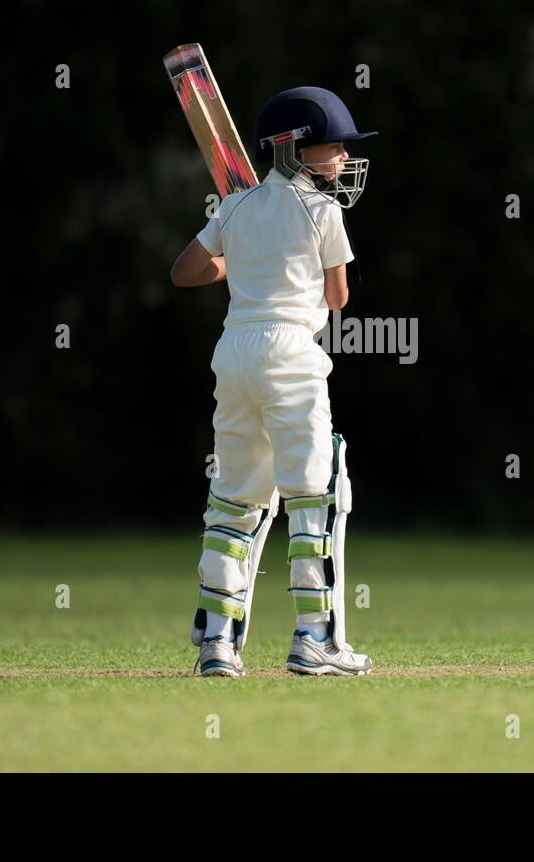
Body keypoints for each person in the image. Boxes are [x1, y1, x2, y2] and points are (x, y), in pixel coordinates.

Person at [170, 86, 376, 677]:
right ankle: (316, 638)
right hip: (291, 354)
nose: (342, 159)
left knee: (235, 495)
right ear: (293, 149)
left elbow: (187, 271)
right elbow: (337, 298)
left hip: (233, 354)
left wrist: (242, 253)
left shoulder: (235, 207)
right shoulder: (323, 211)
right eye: (332, 148)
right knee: (316, 491)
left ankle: (217, 641)